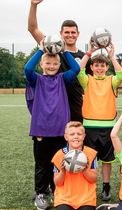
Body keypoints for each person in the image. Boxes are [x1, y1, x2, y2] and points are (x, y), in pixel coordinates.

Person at [24, 41, 80, 210]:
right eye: (47, 63)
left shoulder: (63, 78)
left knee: (59, 163)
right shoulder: (37, 80)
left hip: (61, 131)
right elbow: (27, 69)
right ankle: (41, 193)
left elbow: (76, 69)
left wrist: (64, 51)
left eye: (55, 63)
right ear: (41, 64)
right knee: (42, 164)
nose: (51, 66)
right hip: (41, 129)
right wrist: (41, 50)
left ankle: (58, 191)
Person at [28, 0, 90, 122]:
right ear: (61, 34)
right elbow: (33, 29)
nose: (70, 35)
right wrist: (33, 5)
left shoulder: (85, 57)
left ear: (78, 34)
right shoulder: (53, 49)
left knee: (76, 139)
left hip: (77, 104)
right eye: (66, 32)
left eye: (73, 32)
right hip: (55, 104)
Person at [77, 42, 122, 201]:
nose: (99, 68)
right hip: (89, 127)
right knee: (88, 159)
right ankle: (88, 186)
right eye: (96, 65)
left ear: (106, 67)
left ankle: (106, 186)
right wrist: (89, 52)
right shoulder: (87, 80)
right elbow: (79, 70)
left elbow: (121, 75)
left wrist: (112, 57)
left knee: (106, 160)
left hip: (108, 128)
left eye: (102, 65)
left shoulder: (111, 80)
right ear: (92, 67)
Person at [52, 121, 98, 210]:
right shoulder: (59, 155)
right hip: (64, 199)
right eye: (72, 134)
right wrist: (63, 171)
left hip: (86, 199)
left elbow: (94, 179)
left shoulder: (91, 153)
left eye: (79, 134)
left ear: (84, 136)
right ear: (66, 137)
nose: (76, 136)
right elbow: (57, 183)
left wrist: (85, 170)